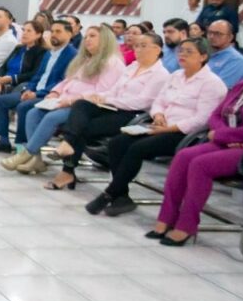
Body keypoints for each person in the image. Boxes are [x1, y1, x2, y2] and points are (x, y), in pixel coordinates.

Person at [150, 43, 243, 246]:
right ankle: (166, 218)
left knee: (201, 164)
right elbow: (216, 115)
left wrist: (226, 136)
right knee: (184, 156)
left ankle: (186, 225)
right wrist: (226, 135)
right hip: (232, 142)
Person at [86, 38, 227, 217]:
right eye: (181, 51)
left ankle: (109, 193)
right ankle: (122, 196)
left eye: (189, 52)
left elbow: (201, 120)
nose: (182, 55)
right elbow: (158, 102)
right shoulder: (176, 76)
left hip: (184, 134)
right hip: (158, 125)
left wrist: (168, 128)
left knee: (137, 148)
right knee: (118, 143)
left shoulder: (212, 83)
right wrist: (158, 115)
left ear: (203, 56)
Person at [45, 32, 171, 190]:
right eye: (136, 45)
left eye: (143, 46)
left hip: (133, 115)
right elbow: (114, 90)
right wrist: (99, 96)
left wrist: (109, 100)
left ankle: (67, 168)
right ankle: (68, 145)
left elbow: (143, 102)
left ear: (157, 49)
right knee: (82, 104)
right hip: (113, 107)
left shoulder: (161, 75)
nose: (138, 49)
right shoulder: (132, 67)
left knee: (82, 127)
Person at [0, 26, 125, 175]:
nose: (87, 40)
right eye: (86, 37)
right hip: (64, 100)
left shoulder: (112, 63)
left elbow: (101, 93)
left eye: (92, 36)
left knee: (51, 117)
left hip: (84, 107)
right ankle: (36, 160)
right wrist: (54, 92)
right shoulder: (86, 59)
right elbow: (67, 81)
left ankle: (26, 154)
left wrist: (69, 100)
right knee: (33, 113)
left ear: (105, 40)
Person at [0, 20, 78, 153]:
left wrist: (38, 94)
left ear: (69, 34)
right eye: (52, 31)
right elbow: (37, 75)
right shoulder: (49, 53)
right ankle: (3, 141)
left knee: (24, 107)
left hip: (51, 95)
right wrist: (29, 89)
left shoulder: (73, 55)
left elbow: (62, 81)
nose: (54, 35)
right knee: (0, 101)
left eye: (58, 31)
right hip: (35, 90)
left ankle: (22, 147)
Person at [205, 20, 243, 87]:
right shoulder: (203, 54)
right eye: (210, 32)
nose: (211, 36)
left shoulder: (237, 60)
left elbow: (219, 88)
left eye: (218, 34)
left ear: (230, 37)